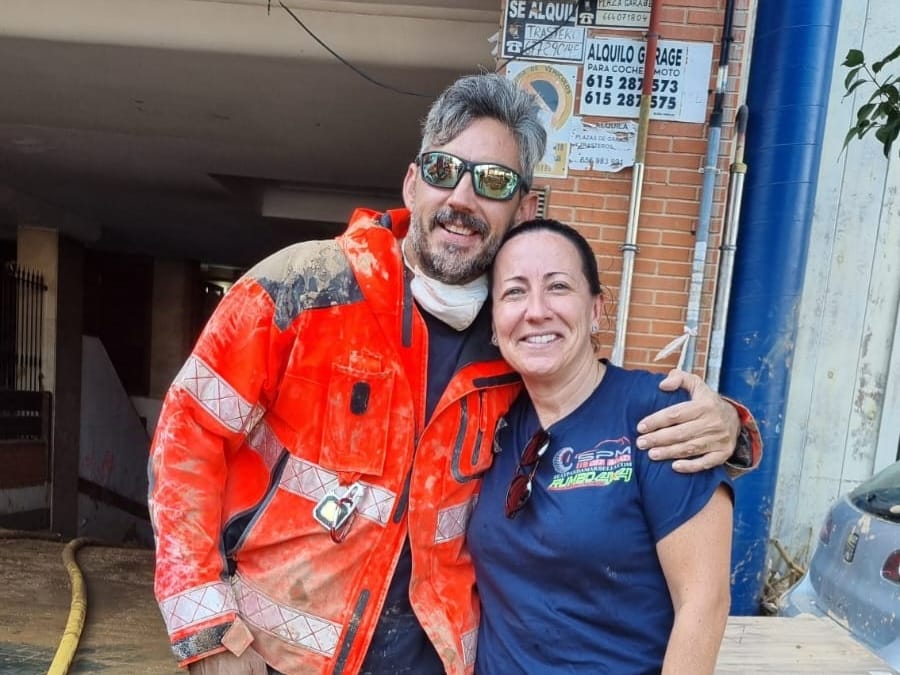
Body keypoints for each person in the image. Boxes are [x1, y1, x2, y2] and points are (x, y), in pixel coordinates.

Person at [148, 73, 760, 675]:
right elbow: (186, 438)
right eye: (444, 172)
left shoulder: (514, 348)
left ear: (523, 208)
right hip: (273, 656)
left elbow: (596, 404)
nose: (462, 201)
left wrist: (729, 426)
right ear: (413, 183)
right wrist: (204, 631)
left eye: (491, 182)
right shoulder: (302, 289)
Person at [469, 218, 734, 674]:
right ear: (493, 322)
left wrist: (731, 419)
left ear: (595, 309)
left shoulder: (659, 416)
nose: (536, 311)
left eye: (558, 287)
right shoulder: (487, 419)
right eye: (513, 292)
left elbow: (703, 604)